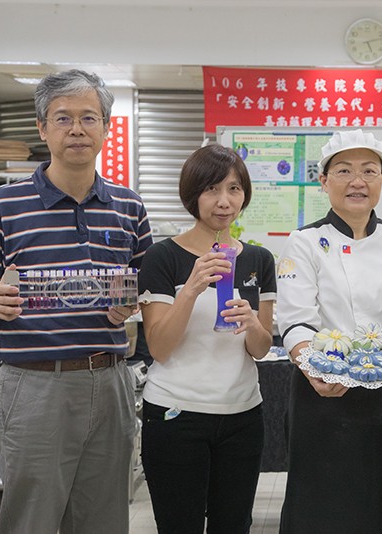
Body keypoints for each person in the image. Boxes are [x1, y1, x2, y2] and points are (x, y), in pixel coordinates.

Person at [0, 69, 152, 534]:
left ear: (106, 126)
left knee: (104, 518)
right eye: (63, 118)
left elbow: (140, 287)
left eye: (89, 117)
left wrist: (131, 307)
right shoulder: (2, 206)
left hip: (110, 381)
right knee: (33, 520)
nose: (77, 129)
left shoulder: (129, 207)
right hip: (34, 387)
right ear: (43, 128)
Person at [276, 129, 382, 533]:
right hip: (321, 392)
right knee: (321, 508)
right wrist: (314, 367)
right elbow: (296, 317)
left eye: (369, 171)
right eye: (344, 170)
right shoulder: (304, 241)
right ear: (324, 181)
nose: (358, 181)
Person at [137, 144, 275, 533]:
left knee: (233, 525)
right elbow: (160, 347)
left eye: (233, 189)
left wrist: (252, 324)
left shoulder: (259, 260)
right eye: (212, 189)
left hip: (242, 416)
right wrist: (192, 288)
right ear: (192, 195)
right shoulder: (162, 257)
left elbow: (262, 349)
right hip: (175, 415)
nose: (224, 201)